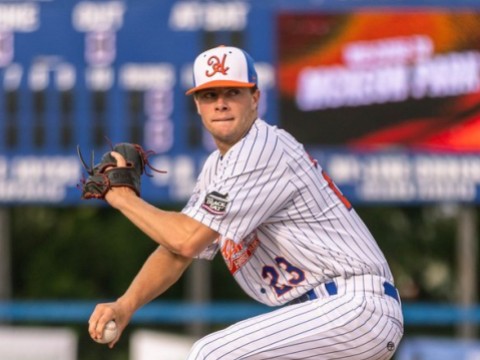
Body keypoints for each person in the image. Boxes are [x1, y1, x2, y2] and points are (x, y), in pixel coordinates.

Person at [88, 45, 404, 359]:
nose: (221, 104)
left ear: (255, 98)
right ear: (198, 105)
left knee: (211, 354)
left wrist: (121, 197)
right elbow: (177, 253)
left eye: (232, 92)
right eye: (210, 95)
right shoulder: (218, 167)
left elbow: (185, 240)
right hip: (319, 320)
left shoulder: (262, 149)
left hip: (353, 307)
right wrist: (127, 303)